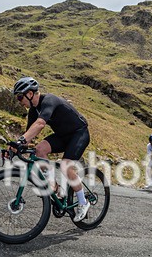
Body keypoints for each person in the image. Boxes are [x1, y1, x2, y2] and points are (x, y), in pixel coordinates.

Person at [10, 77, 92, 222]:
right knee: (39, 149)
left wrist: (20, 141)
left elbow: (40, 124)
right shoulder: (33, 111)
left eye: (20, 96)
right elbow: (28, 134)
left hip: (79, 133)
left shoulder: (49, 100)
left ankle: (83, 202)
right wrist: (15, 147)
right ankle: (55, 188)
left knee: (66, 165)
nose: (19, 101)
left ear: (30, 94)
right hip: (62, 136)